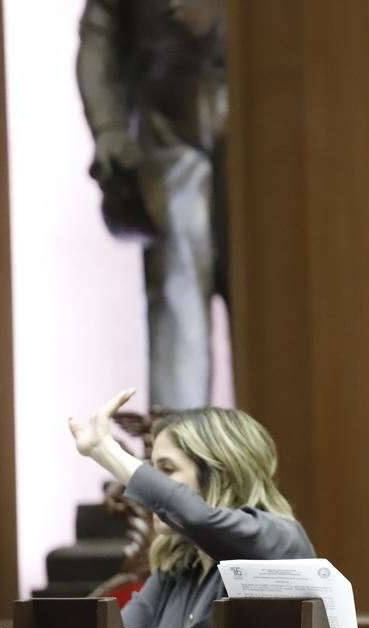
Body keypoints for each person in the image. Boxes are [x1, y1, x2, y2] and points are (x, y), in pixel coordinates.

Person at [77, 0, 228, 408]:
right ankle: (177, 461)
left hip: (261, 142)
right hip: (170, 144)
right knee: (178, 325)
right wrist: (108, 130)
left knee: (279, 314)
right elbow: (99, 36)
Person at [68, 389, 313, 628]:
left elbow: (197, 517)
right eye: (153, 472)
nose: (153, 489)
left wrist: (105, 450)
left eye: (166, 469)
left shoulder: (279, 538)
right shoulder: (179, 566)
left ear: (222, 477)